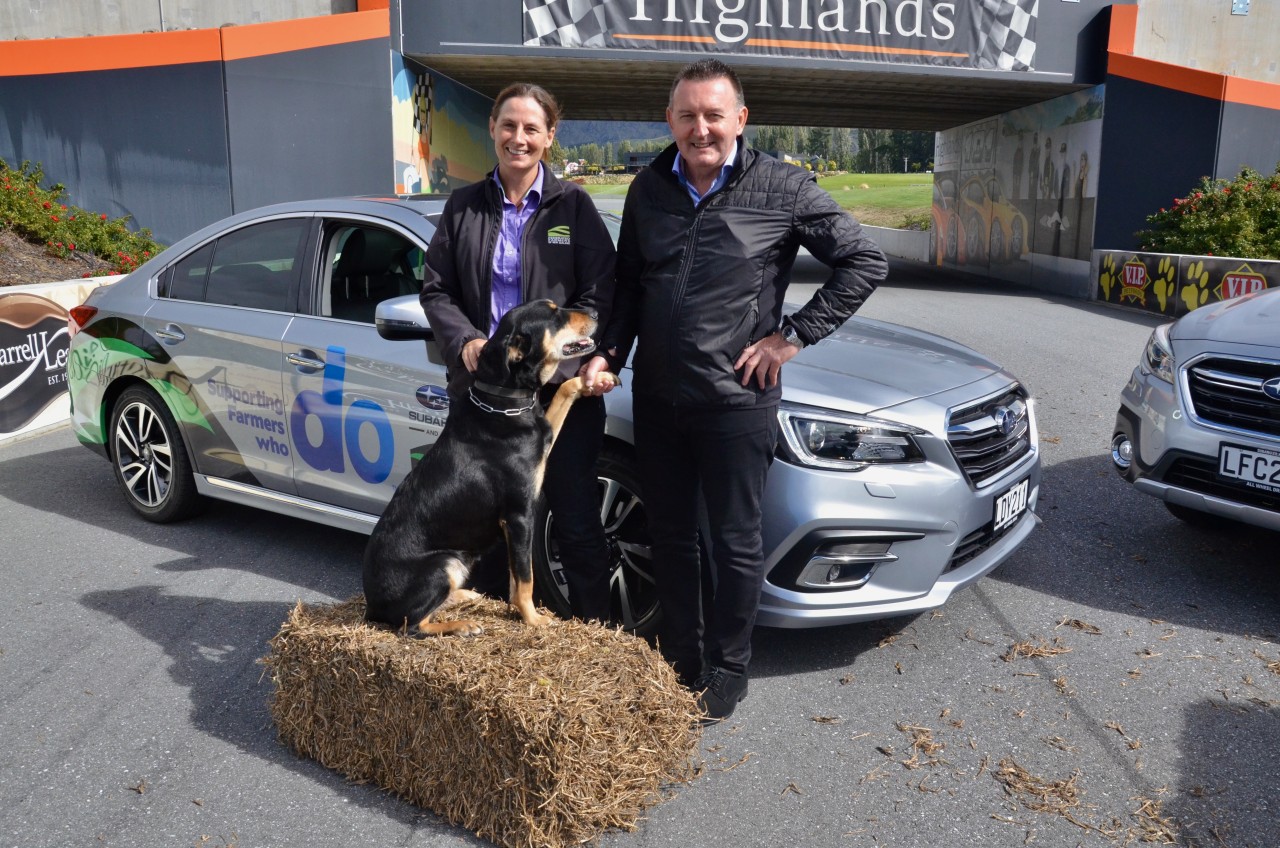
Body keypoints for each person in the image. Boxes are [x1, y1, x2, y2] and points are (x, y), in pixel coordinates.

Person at [581, 59, 887, 721]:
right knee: (670, 537)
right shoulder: (648, 191)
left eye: (713, 115)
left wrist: (792, 337)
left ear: (739, 120)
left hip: (735, 405)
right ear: (670, 119)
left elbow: (864, 261)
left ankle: (728, 667)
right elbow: (631, 286)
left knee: (733, 540)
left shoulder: (780, 186)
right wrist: (609, 353)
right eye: (687, 115)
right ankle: (682, 657)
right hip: (660, 399)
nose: (700, 128)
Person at [419, 82, 617, 622]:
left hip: (556, 394)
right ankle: (487, 647)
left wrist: (576, 361)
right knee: (480, 525)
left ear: (549, 136)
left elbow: (601, 291)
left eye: (532, 128)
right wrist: (464, 341)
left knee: (575, 519)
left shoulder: (572, 205)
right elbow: (436, 289)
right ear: (492, 129)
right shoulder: (463, 207)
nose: (518, 138)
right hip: (484, 400)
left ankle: (595, 637)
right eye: (509, 125)